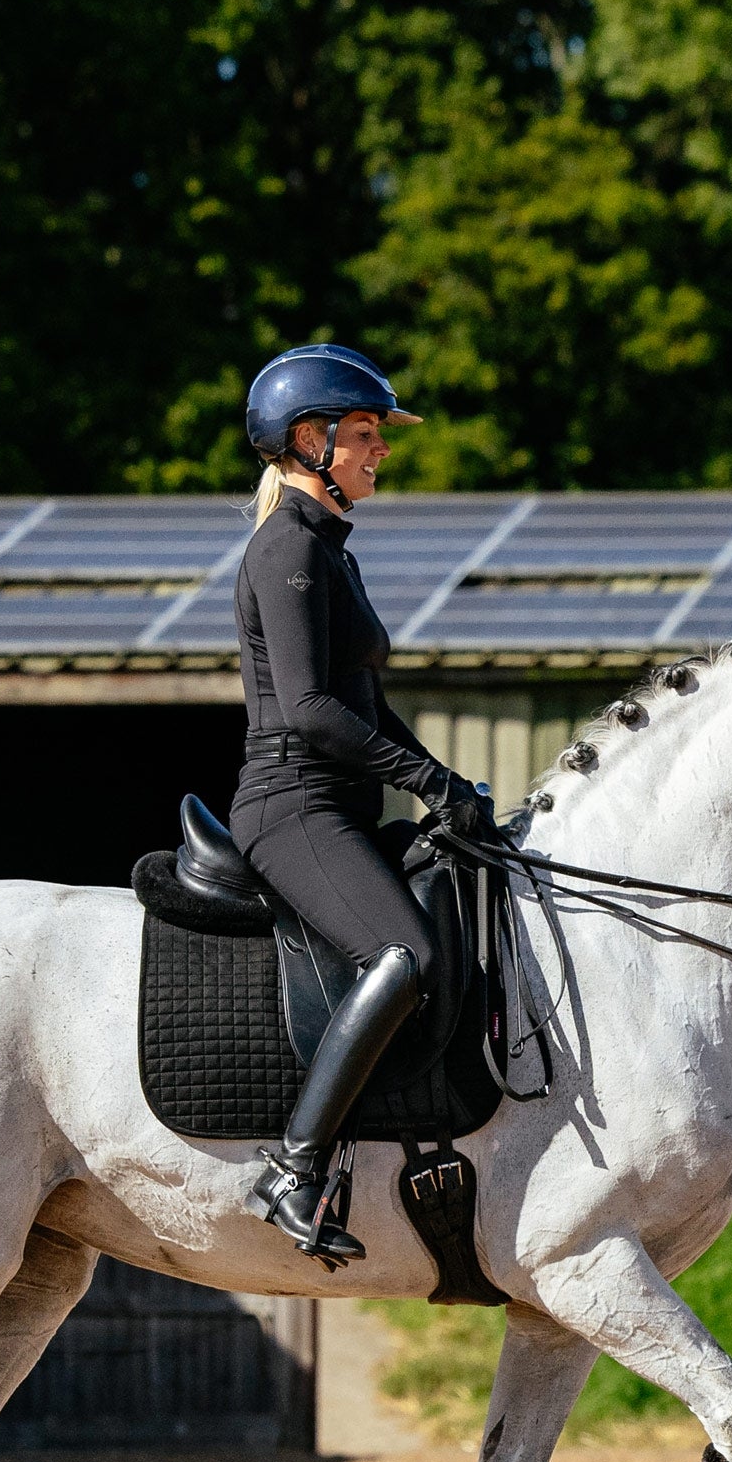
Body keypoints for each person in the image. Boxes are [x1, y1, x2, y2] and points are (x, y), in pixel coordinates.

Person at [230, 343, 491, 1266]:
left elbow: (369, 709)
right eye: (368, 435)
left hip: (336, 801)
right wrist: (422, 783)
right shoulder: (288, 548)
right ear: (311, 439)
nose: (381, 451)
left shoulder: (330, 552)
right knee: (404, 953)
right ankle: (294, 1168)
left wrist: (453, 787)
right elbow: (308, 711)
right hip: (293, 807)